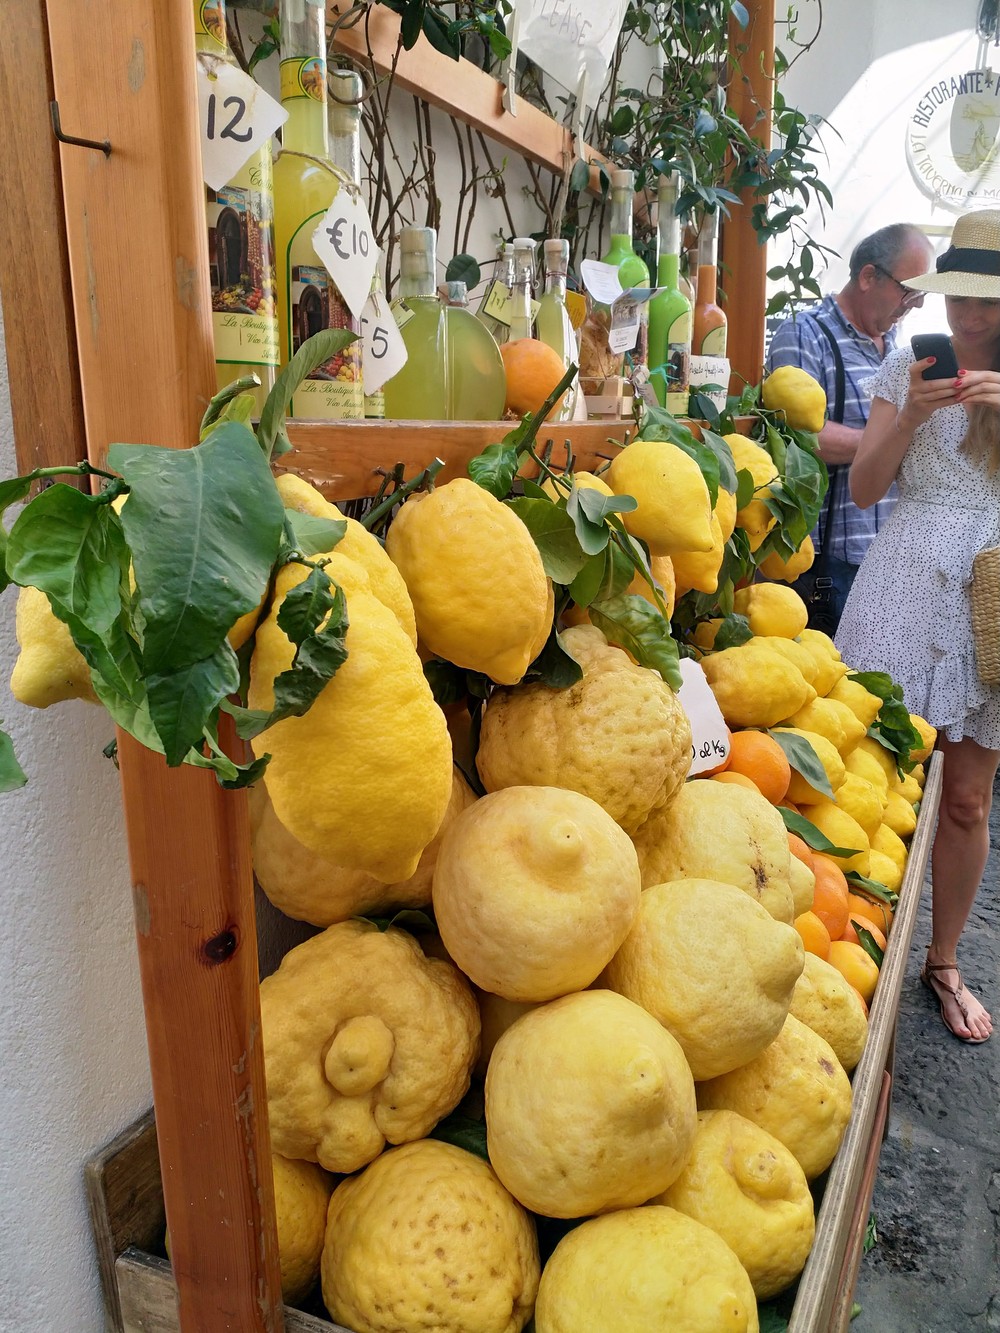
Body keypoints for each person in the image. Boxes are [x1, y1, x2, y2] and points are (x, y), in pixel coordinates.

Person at [837, 207, 1000, 1044]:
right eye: (956, 296)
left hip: (990, 595)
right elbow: (865, 489)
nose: (967, 315)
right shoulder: (908, 362)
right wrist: (908, 416)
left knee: (967, 799)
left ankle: (942, 961)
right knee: (871, 775)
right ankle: (849, 947)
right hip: (900, 579)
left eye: (986, 300)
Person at [766, 224, 934, 632]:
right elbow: (796, 438)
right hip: (830, 562)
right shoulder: (805, 334)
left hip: (890, 557)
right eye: (909, 291)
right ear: (868, 276)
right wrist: (893, 438)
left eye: (922, 296)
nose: (914, 306)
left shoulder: (897, 350)